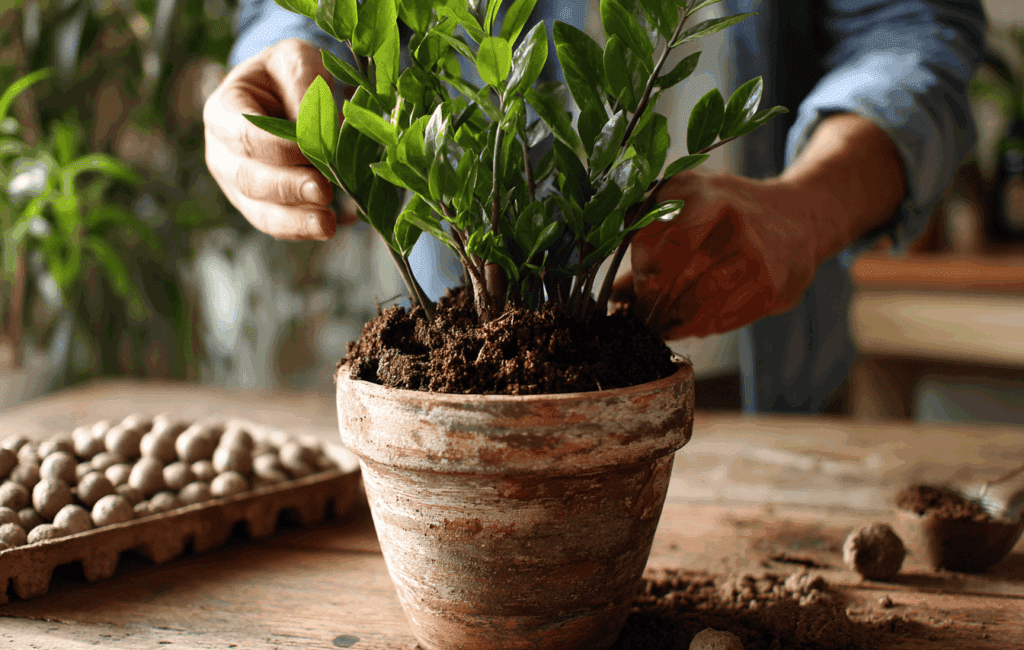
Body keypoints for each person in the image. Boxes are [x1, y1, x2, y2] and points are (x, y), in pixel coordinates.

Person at [204, 0, 986, 413]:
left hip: (771, 378)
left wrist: (808, 206)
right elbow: (303, 17)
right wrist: (275, 69)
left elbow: (911, 28)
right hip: (474, 389)